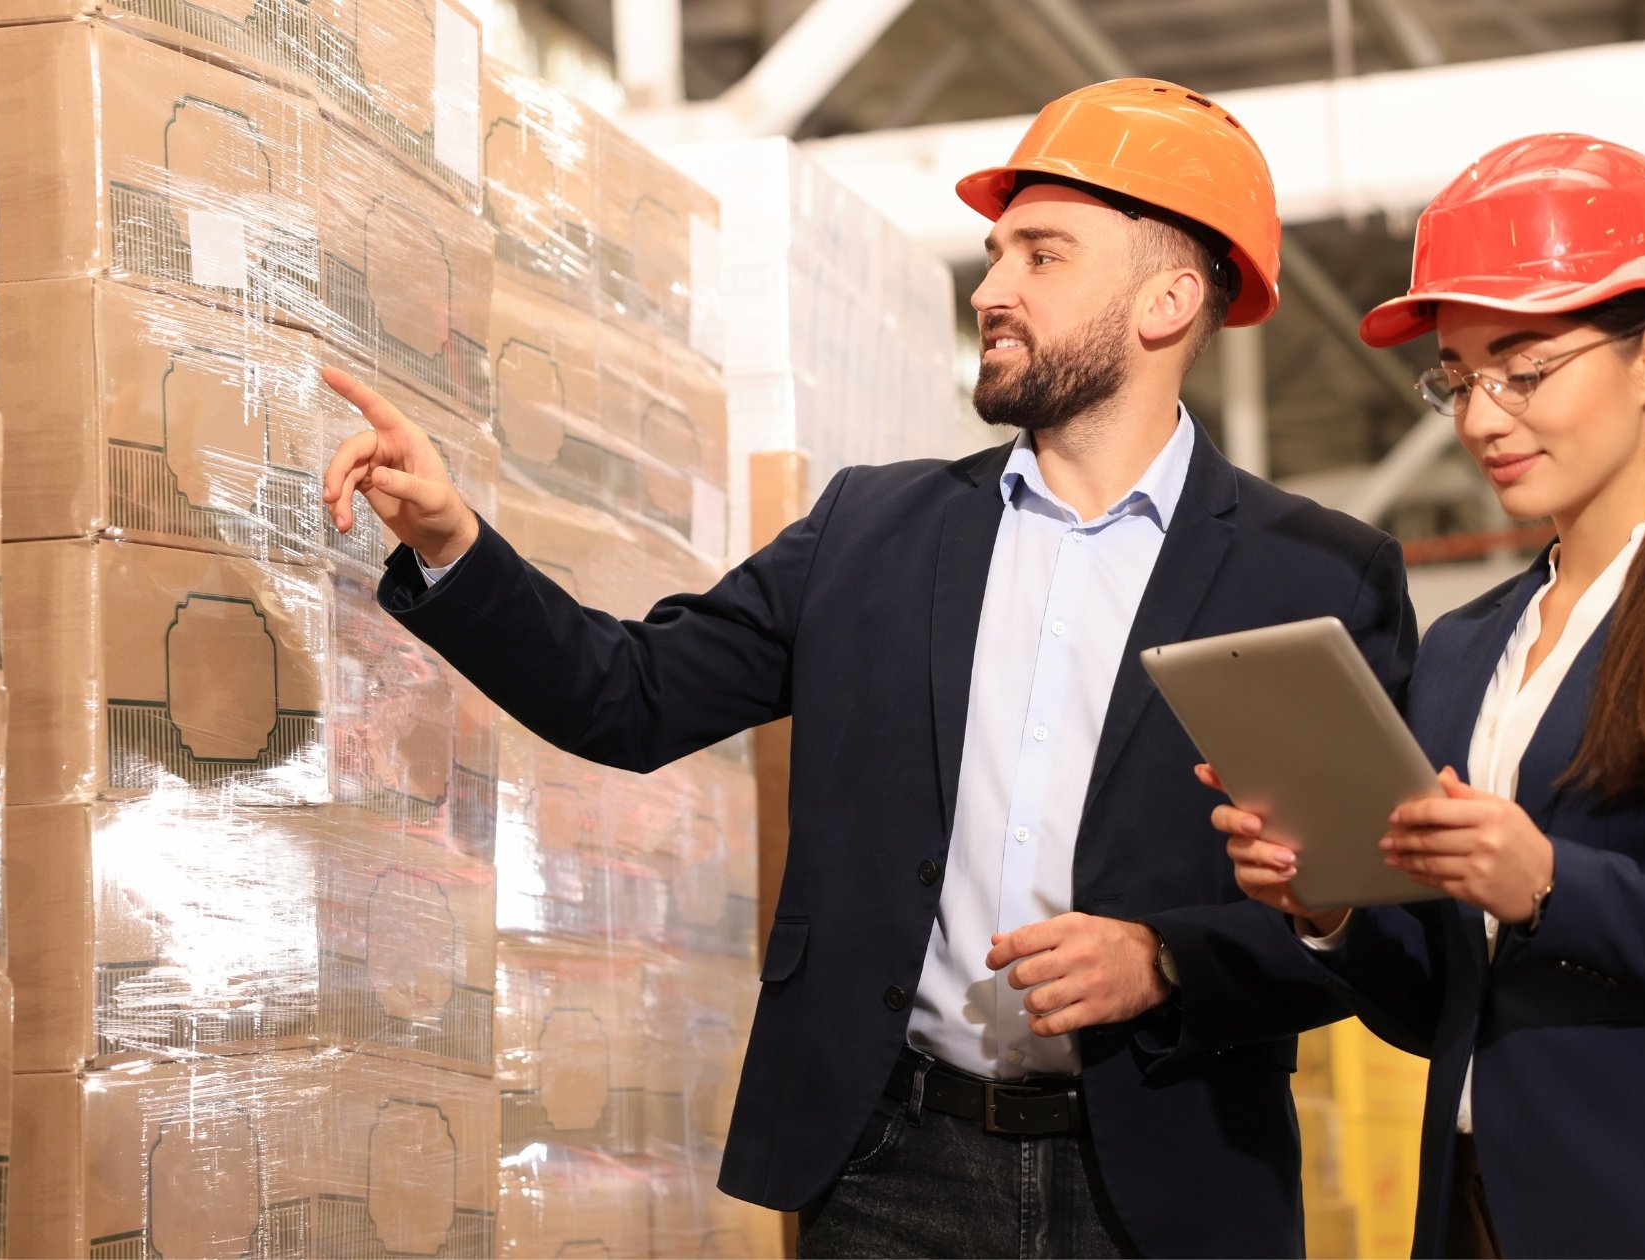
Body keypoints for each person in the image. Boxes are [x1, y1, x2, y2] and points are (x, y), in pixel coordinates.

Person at [322, 78, 1417, 1258]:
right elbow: (625, 697)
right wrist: (448, 542)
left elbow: (1376, 924)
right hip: (893, 1175)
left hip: (1168, 1180)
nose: (990, 289)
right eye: (996, 254)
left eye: (1041, 257)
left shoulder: (1314, 578)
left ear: (1168, 300)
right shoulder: (870, 533)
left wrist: (1165, 959)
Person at [1209, 134, 1645, 1258]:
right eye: (1458, 377)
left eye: (1521, 369)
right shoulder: (1461, 648)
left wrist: (1551, 886)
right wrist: (1327, 905)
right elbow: (1443, 1005)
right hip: (1478, 1218)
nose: (1481, 418)